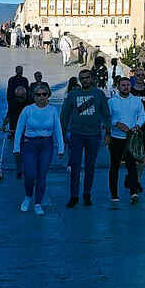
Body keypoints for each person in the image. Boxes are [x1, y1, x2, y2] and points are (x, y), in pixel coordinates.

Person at [61, 68, 110, 207]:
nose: (85, 80)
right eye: (82, 78)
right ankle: (74, 196)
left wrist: (108, 133)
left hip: (94, 136)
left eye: (87, 77)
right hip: (76, 135)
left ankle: (87, 194)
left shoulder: (99, 94)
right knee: (75, 166)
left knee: (90, 166)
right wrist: (62, 134)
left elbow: (106, 115)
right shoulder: (73, 95)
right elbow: (64, 115)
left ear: (92, 78)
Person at [13, 81, 64, 214]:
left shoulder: (52, 110)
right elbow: (19, 129)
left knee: (42, 175)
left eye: (44, 94)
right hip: (30, 144)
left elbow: (57, 129)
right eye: (38, 94)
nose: (41, 97)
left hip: (46, 145)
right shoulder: (28, 110)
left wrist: (61, 147)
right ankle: (28, 196)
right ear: (34, 96)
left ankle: (38, 203)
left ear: (48, 95)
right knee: (29, 174)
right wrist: (16, 147)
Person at [107, 76, 145, 203]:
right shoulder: (112, 102)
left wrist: (137, 125)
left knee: (132, 165)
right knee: (115, 166)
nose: (126, 87)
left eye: (128, 85)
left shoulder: (136, 101)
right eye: (123, 85)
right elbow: (108, 118)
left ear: (131, 86)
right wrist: (117, 124)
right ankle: (114, 194)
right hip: (116, 138)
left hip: (131, 138)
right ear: (118, 86)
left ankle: (133, 191)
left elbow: (142, 115)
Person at [0, 85, 31, 181]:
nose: (20, 99)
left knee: (28, 151)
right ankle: (19, 170)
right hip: (16, 131)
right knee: (17, 151)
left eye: (22, 97)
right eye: (18, 97)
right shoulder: (13, 103)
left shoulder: (30, 103)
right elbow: (9, 115)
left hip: (29, 131)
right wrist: (4, 125)